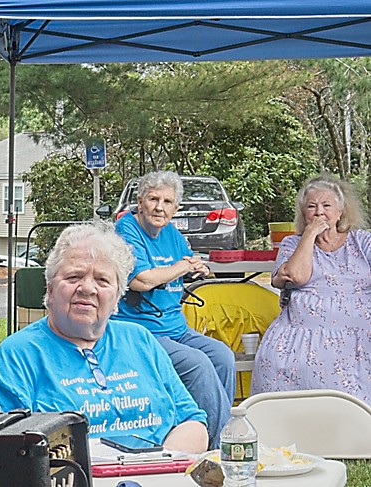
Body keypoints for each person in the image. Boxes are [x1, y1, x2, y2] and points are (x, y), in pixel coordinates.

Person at [0, 222, 208, 453]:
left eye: (102, 280)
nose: (87, 288)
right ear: (50, 289)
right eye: (74, 276)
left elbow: (193, 424)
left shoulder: (140, 341)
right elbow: (2, 451)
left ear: (118, 296)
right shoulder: (19, 355)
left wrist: (154, 466)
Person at [112, 170, 234, 448]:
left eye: (167, 202)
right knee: (198, 364)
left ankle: (216, 436)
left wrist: (195, 271)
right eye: (153, 199)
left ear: (175, 208)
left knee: (222, 356)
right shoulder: (127, 229)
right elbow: (140, 280)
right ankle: (220, 448)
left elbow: (178, 268)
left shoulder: (173, 235)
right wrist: (183, 266)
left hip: (176, 328)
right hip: (142, 333)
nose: (159, 207)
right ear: (140, 201)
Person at [252, 174, 371, 400]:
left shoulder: (362, 241)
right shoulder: (292, 243)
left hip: (358, 338)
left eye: (326, 205)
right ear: (303, 213)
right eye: (311, 207)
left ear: (340, 211)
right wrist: (309, 235)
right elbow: (296, 275)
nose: (319, 212)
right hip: (299, 339)